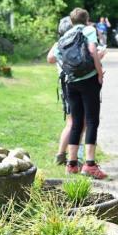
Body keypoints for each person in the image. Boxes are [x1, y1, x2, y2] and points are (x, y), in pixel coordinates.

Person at [59, 8, 106, 179]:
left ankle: (71, 164)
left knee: (76, 122)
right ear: (87, 20)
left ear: (71, 21)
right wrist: (99, 73)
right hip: (88, 80)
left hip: (71, 82)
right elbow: (93, 49)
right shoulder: (89, 30)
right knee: (92, 120)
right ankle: (90, 165)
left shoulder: (65, 36)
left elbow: (57, 56)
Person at [47, 16, 74, 165]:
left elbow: (50, 58)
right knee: (74, 123)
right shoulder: (71, 43)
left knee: (73, 122)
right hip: (72, 86)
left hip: (66, 86)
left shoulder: (59, 43)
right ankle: (64, 155)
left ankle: (63, 155)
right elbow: (50, 58)